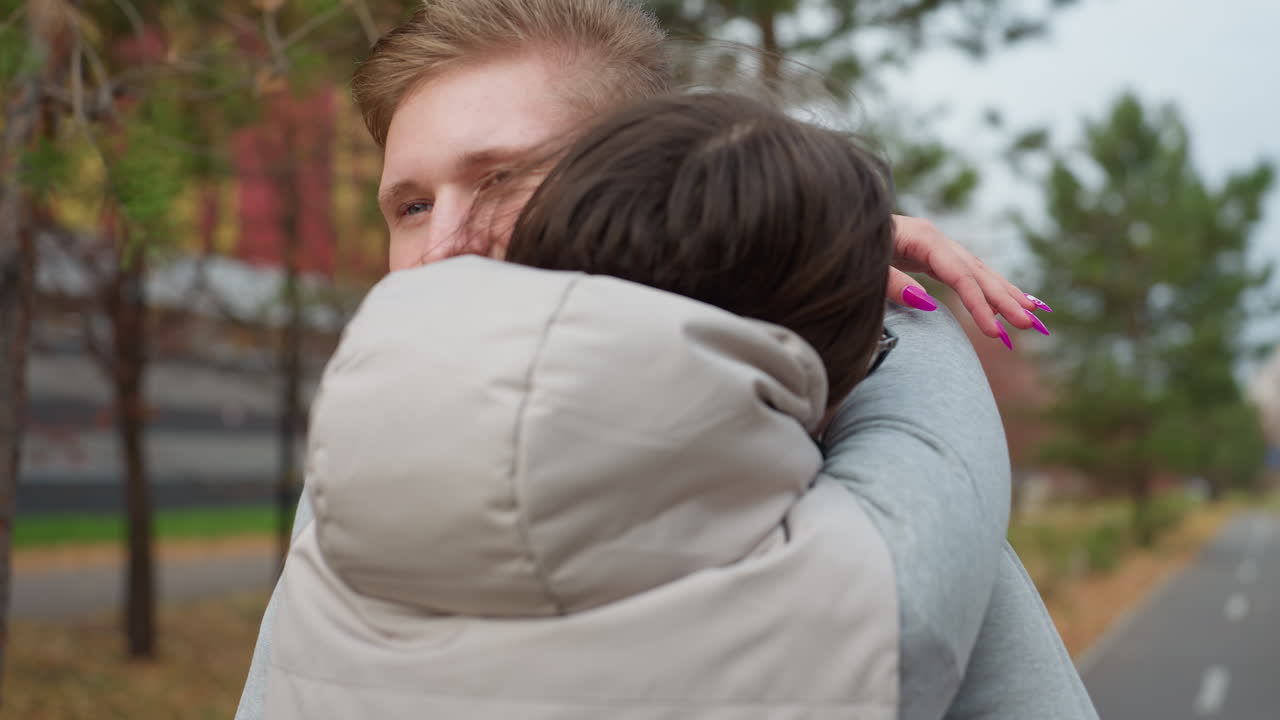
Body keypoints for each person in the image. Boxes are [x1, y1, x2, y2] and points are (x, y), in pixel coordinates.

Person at [235, 2, 1095, 719]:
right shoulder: (355, 484)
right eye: (412, 205)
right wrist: (856, 283)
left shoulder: (357, 482)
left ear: (645, 171)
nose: (443, 249)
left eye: (501, 179)